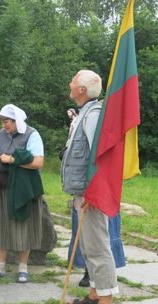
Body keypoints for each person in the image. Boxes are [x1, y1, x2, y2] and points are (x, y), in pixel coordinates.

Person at [62, 70, 118, 304]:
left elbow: (100, 155)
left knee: (97, 248)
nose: (70, 83)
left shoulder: (93, 114)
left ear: (82, 90)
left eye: (73, 80)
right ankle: (94, 295)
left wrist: (92, 191)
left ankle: (105, 300)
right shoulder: (84, 113)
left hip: (89, 193)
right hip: (82, 191)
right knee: (88, 245)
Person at [0, 104, 45, 284]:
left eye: (6, 121)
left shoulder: (32, 134)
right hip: (5, 186)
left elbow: (38, 162)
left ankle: (23, 268)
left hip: (25, 188)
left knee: (24, 226)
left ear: (17, 121)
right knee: (1, 224)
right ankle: (0, 266)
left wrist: (13, 160)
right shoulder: (2, 135)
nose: (3, 125)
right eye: (2, 122)